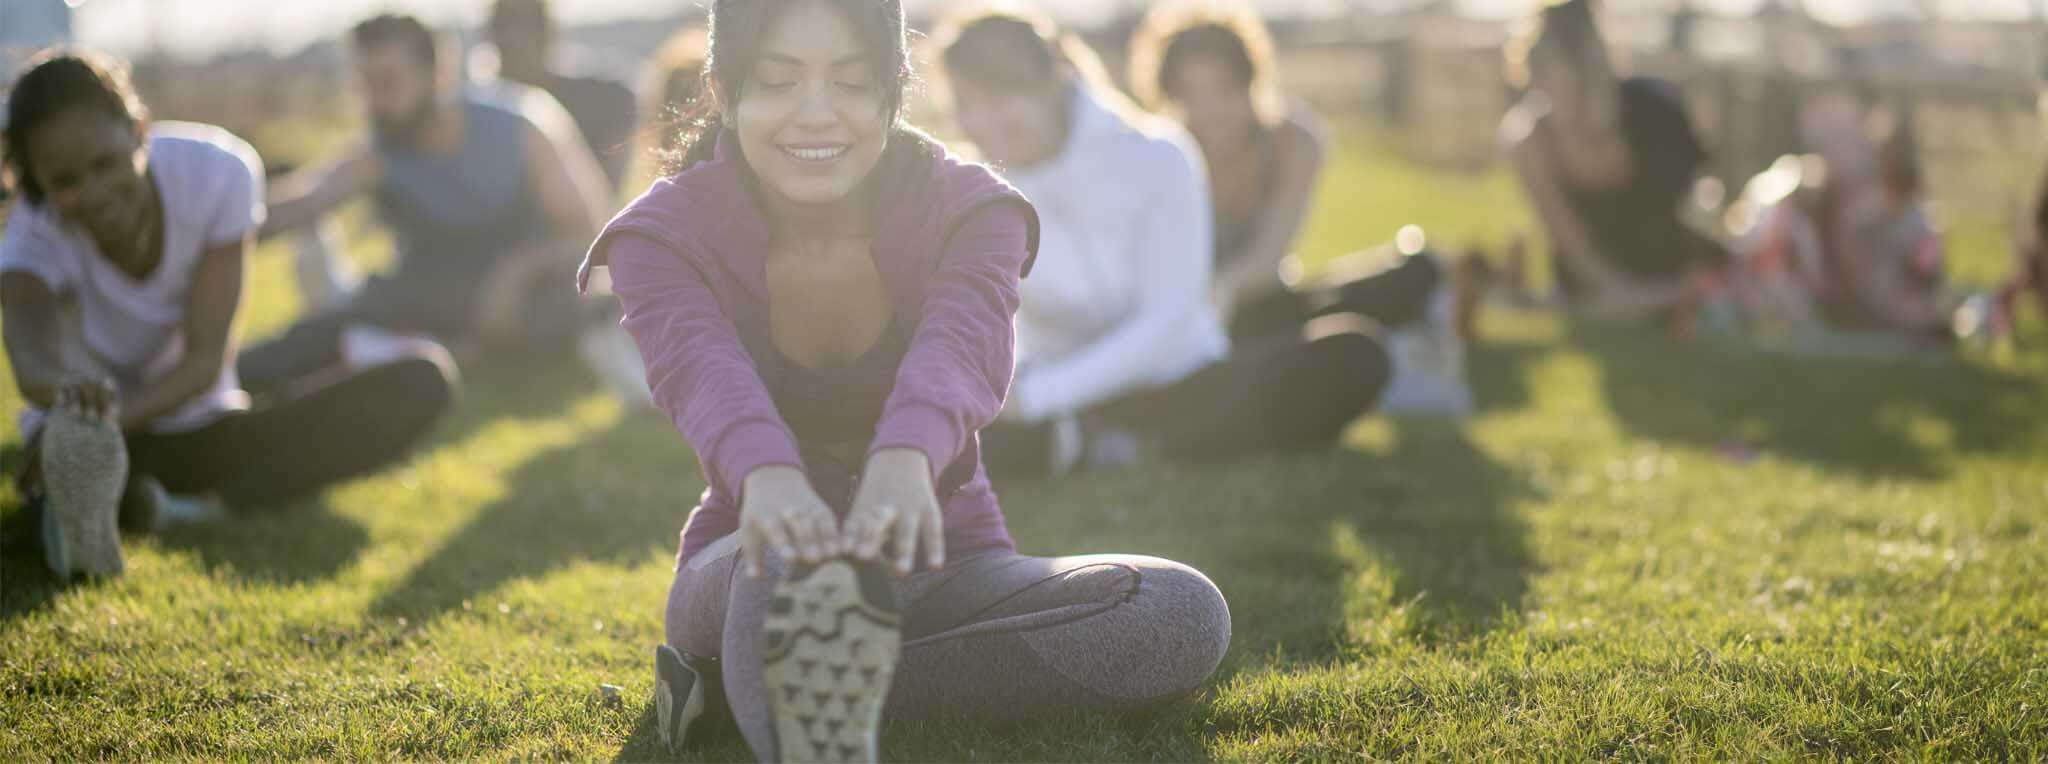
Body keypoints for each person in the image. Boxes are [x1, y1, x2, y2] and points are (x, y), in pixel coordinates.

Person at [578, 1, 1231, 759]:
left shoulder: (970, 205)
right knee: (801, 545)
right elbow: (702, 374)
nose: (817, 115)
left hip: (949, 562)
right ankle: (788, 675)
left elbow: (963, 343)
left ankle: (738, 687)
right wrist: (768, 476)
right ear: (726, 93)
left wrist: (905, 456)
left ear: (895, 88)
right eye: (780, 82)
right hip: (757, 559)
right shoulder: (660, 236)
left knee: (1177, 610)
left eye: (852, 83)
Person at [0, 52, 454, 578]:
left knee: (423, 378)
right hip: (130, 434)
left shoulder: (218, 172)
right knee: (98, 463)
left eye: (105, 164)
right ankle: (95, 497)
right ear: (36, 185)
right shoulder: (28, 238)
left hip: (194, 421)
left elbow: (203, 364)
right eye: (66, 182)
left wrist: (99, 430)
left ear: (138, 131)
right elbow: (33, 359)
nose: (94, 193)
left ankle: (157, 504)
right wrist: (69, 405)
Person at [935, 9, 1390, 476]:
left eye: (998, 99)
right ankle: (1101, 442)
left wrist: (1035, 398)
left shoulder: (1159, 156)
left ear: (1054, 80)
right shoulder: (971, 188)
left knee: (1353, 356)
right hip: (1054, 390)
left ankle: (1104, 441)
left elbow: (1166, 325)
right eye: (965, 104)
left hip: (1179, 386)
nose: (978, 122)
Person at [1128, 1, 1475, 414]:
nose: (1207, 111)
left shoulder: (1293, 141)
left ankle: (1413, 328)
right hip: (1191, 321)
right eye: (1190, 94)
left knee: (1414, 273)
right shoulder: (1159, 156)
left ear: (1250, 82)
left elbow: (1267, 256)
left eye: (1221, 90)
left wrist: (1215, 296)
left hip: (1263, 301)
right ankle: (1389, 356)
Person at [242, 13, 610, 393]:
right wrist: (202, 222)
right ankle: (233, 380)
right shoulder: (382, 150)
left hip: (532, 288)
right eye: (364, 84)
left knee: (571, 310)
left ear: (439, 75)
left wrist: (516, 272)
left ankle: (427, 353)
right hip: (429, 291)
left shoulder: (522, 124)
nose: (375, 102)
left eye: (388, 82)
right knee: (324, 331)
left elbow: (589, 232)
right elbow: (304, 202)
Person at [1500, 0, 1727, 323]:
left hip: (1681, 268)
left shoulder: (1657, 112)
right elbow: (1575, 250)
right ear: (1536, 80)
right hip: (1595, 283)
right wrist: (1623, 294)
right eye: (1569, 81)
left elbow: (1706, 210)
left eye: (1596, 71)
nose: (1587, 94)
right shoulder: (1530, 141)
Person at [487, 0, 639, 190]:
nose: (516, 37)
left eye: (531, 23)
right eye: (505, 23)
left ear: (550, 29)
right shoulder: (478, 114)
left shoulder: (606, 99)